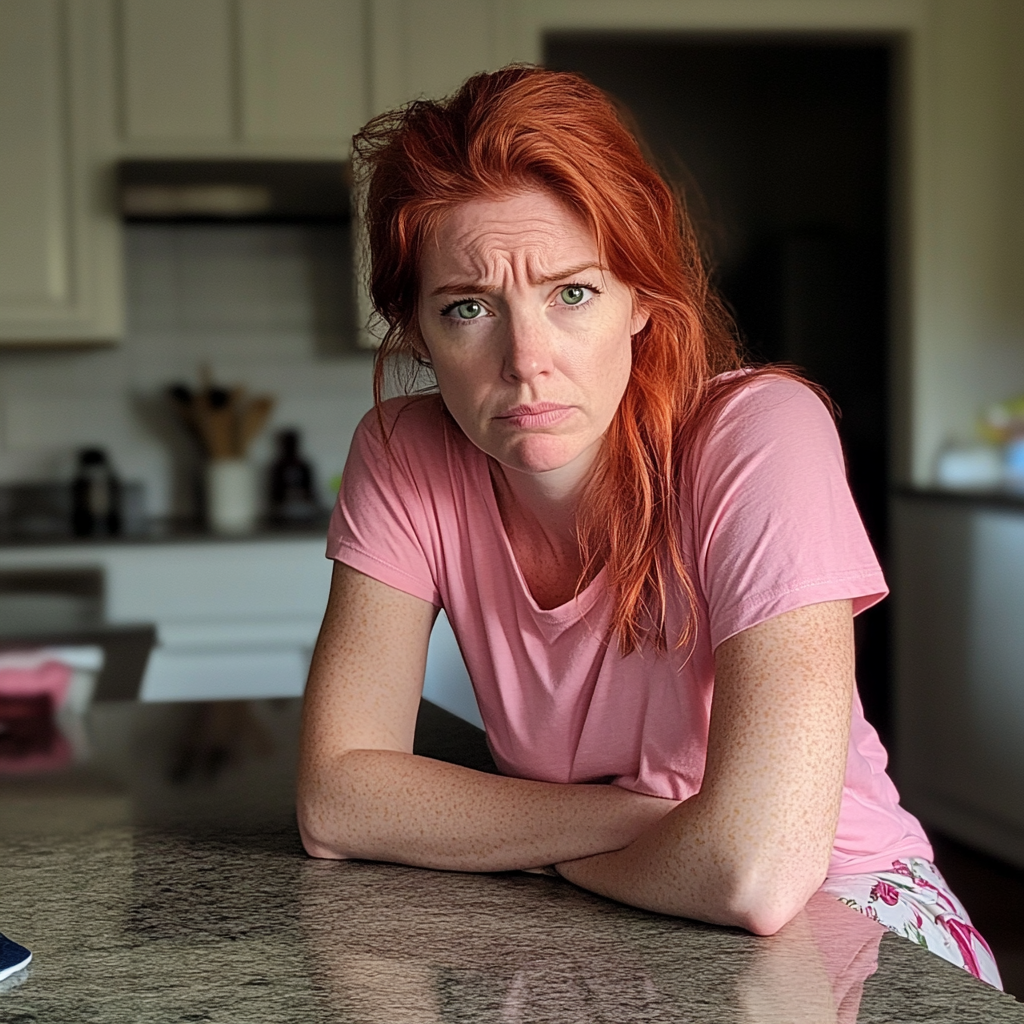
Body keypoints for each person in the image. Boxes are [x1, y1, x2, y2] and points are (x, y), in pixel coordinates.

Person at [297, 65, 1001, 988]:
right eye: (468, 307)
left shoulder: (762, 433)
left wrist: (513, 835)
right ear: (418, 331)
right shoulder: (404, 450)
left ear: (640, 298)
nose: (527, 361)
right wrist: (653, 825)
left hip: (849, 909)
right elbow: (339, 797)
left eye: (573, 293)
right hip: (601, 904)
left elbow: (758, 873)